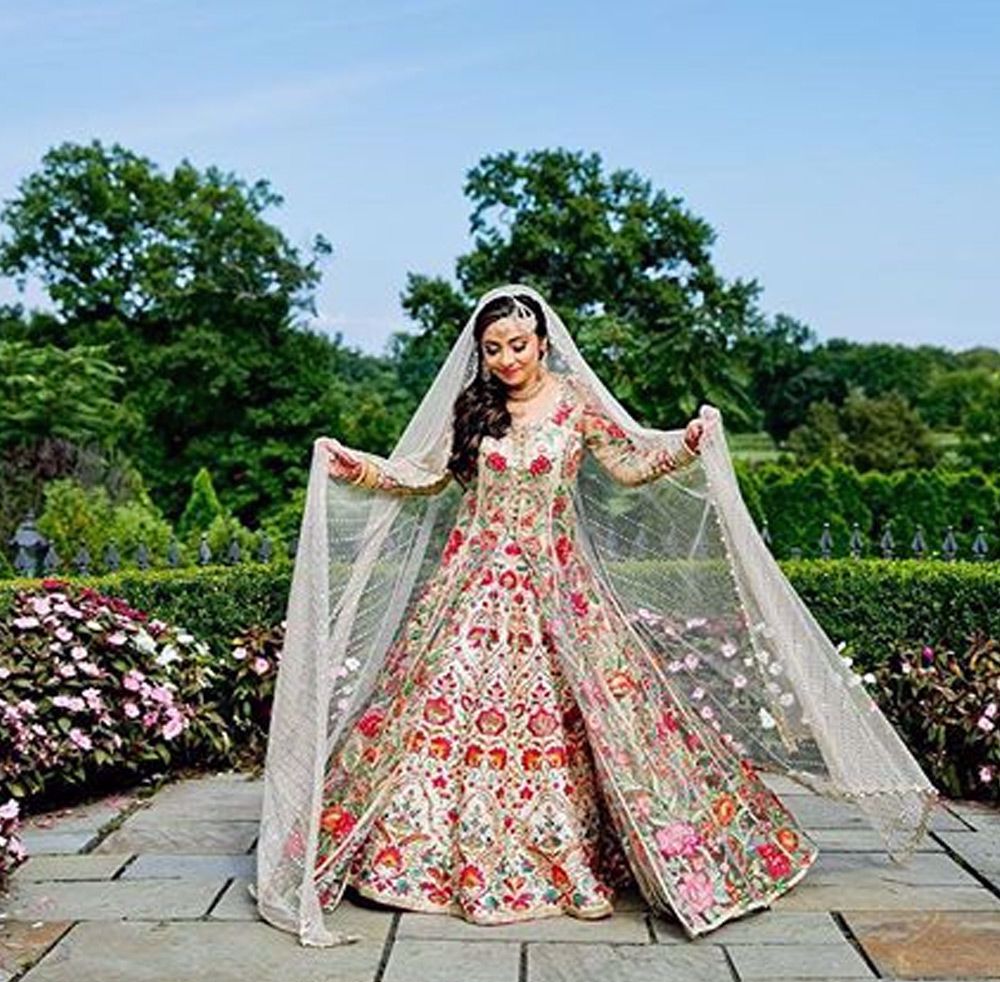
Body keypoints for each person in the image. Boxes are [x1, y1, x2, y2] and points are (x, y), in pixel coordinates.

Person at [254, 284, 938, 948]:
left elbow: (630, 464)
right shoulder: (476, 409)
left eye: (518, 345)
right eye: (493, 349)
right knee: (425, 713)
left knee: (607, 722)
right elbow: (426, 474)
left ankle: (579, 856)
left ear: (543, 341)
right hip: (470, 589)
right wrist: (359, 468)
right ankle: (414, 858)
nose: (506, 360)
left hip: (560, 590)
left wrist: (689, 440)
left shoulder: (575, 404)